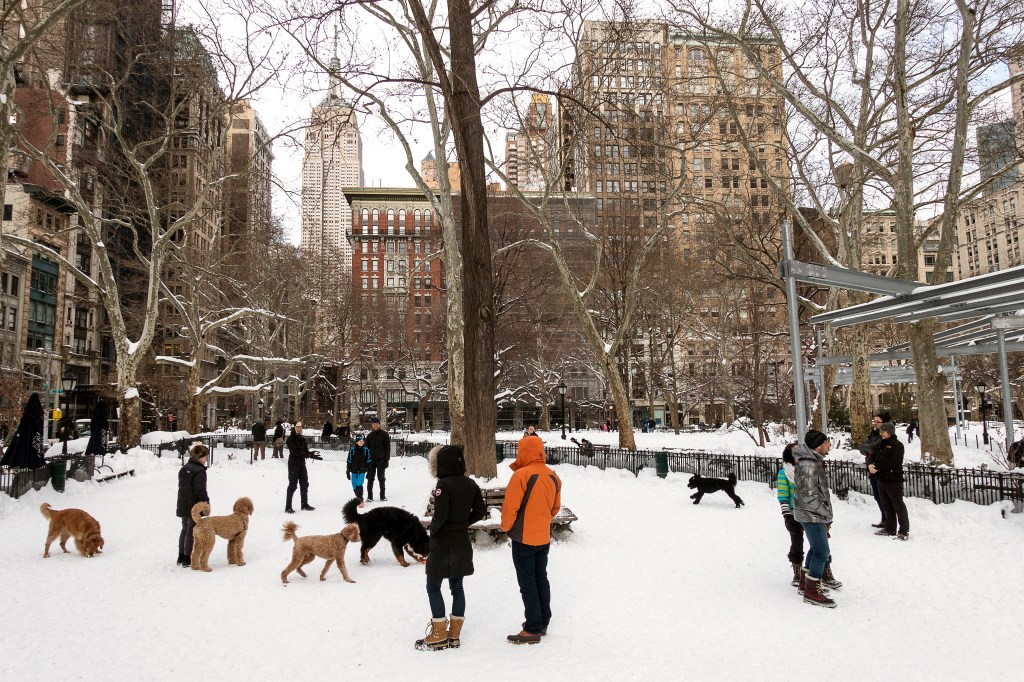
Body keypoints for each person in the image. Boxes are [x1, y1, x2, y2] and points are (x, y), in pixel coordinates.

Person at [415, 444, 486, 651]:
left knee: (433, 586)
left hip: (443, 542)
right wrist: (463, 523)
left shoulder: (442, 485)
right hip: (461, 540)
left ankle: (438, 633)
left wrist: (433, 532)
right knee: (457, 587)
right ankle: (454, 634)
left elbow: (441, 515)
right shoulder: (470, 484)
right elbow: (480, 511)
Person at [501, 435, 562, 644]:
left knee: (527, 583)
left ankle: (533, 627)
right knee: (541, 579)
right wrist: (542, 520)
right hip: (543, 536)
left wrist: (506, 527)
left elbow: (511, 507)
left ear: (523, 452)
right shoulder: (553, 476)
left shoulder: (521, 475)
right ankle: (543, 621)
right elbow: (555, 507)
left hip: (523, 536)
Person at [779, 443, 842, 592]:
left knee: (820, 546)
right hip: (795, 513)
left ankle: (824, 572)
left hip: (815, 513)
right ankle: (798, 573)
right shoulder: (785, 473)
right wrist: (787, 515)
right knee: (798, 544)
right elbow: (783, 495)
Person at [793, 429, 836, 608]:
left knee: (815, 549)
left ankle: (806, 584)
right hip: (813, 515)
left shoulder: (811, 462)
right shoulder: (809, 466)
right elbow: (809, 497)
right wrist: (825, 513)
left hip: (812, 514)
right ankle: (812, 590)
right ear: (819, 445)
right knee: (821, 552)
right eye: (827, 442)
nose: (829, 446)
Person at [871, 422, 909, 540]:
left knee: (898, 505)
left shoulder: (897, 445)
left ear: (890, 431)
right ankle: (890, 527)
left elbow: (893, 461)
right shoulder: (880, 444)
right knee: (886, 505)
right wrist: (870, 465)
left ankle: (903, 530)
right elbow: (872, 456)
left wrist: (876, 467)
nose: (881, 433)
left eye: (883, 431)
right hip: (881, 478)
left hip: (893, 480)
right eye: (881, 431)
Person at [176, 442, 210, 567]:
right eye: (206, 457)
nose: (206, 459)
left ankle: (181, 556)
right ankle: (187, 558)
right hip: (194, 505)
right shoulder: (199, 471)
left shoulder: (184, 468)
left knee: (185, 529)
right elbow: (200, 490)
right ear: (201, 457)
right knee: (191, 530)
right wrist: (206, 503)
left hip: (182, 502)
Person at [859, 412, 890, 529]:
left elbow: (871, 447)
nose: (875, 424)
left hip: (880, 470)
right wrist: (868, 449)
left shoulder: (885, 436)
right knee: (877, 496)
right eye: (874, 421)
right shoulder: (874, 434)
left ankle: (888, 520)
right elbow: (863, 449)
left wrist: (868, 448)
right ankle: (884, 518)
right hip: (871, 468)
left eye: (878, 421)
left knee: (884, 497)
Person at [285, 422, 319, 513]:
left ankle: (304, 504)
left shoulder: (302, 438)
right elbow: (295, 452)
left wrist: (311, 453)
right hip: (293, 465)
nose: (298, 429)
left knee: (304, 484)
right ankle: (288, 507)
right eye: (297, 427)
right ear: (294, 428)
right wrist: (308, 455)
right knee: (292, 485)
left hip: (302, 464)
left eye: (300, 427)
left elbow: (305, 450)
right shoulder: (290, 439)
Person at [364, 417, 391, 502]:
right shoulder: (369, 436)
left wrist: (386, 460)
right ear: (372, 425)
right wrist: (366, 461)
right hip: (371, 460)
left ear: (379, 424)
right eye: (374, 424)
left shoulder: (384, 434)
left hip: (381, 460)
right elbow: (366, 449)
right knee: (370, 478)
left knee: (381, 478)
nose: (375, 425)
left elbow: (388, 448)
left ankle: (382, 496)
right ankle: (369, 496)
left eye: (377, 423)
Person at [347, 433, 373, 508]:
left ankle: (360, 500)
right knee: (354, 486)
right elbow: (349, 461)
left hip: (362, 471)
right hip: (354, 471)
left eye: (362, 441)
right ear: (356, 442)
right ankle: (358, 497)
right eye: (359, 441)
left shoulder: (366, 450)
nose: (361, 442)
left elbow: (368, 461)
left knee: (359, 484)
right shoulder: (352, 450)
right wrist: (348, 471)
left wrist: (369, 471)